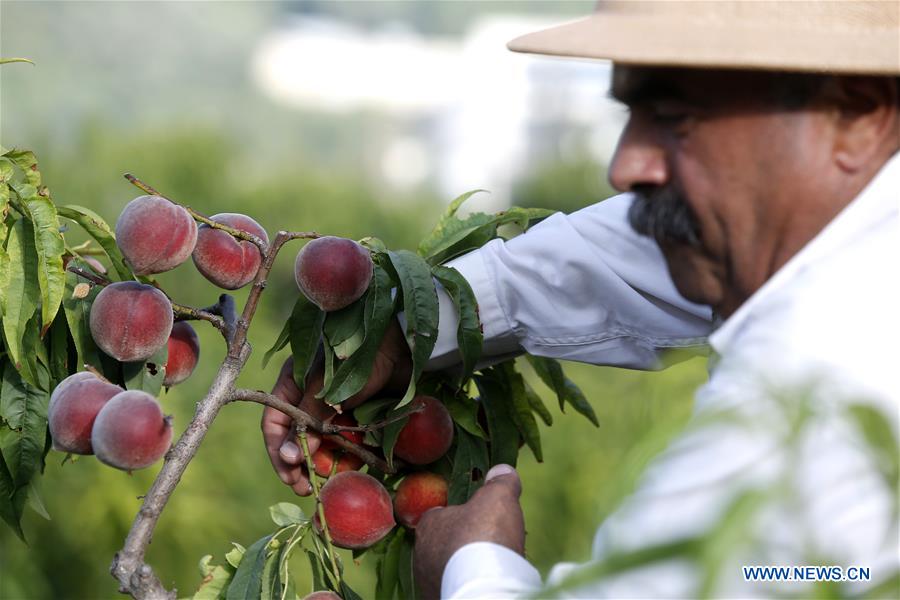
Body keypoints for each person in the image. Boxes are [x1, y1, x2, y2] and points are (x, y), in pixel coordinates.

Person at [263, 1, 899, 597]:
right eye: (631, 116)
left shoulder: (824, 372)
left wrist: (472, 568)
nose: (625, 167)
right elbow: (616, 254)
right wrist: (404, 332)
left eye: (675, 118)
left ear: (857, 118)